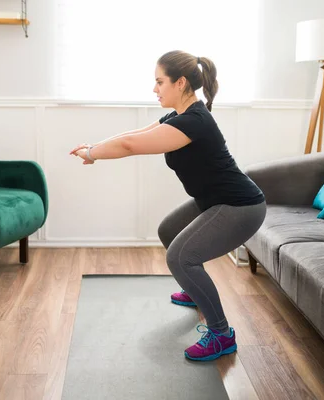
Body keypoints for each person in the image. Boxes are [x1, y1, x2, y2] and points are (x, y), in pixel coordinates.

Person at [69, 50, 266, 361]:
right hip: (215, 202)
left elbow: (130, 146)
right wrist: (93, 146)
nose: (155, 89)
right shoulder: (178, 117)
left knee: (180, 257)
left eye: (160, 82)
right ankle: (195, 290)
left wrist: (93, 154)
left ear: (181, 82)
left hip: (240, 206)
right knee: (169, 230)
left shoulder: (196, 121)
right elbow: (135, 134)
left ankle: (222, 334)